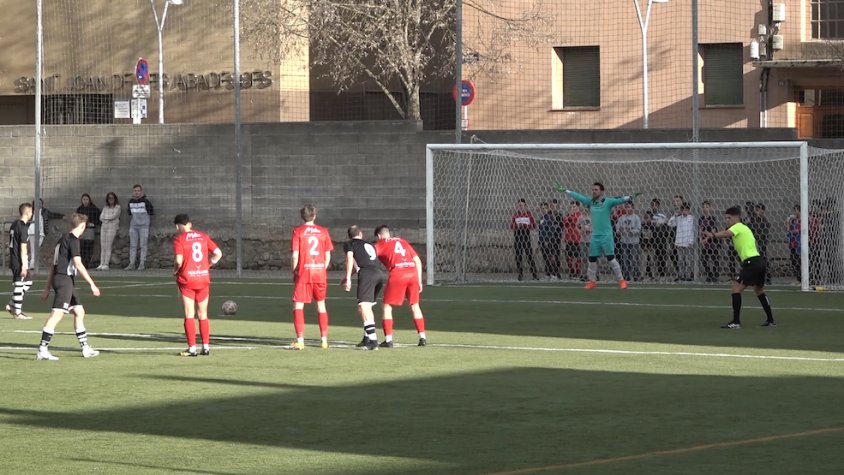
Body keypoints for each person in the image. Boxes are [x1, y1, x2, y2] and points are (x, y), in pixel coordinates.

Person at [36, 213, 102, 361]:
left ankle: (85, 348)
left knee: (79, 311)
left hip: (64, 280)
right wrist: (92, 284)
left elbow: (52, 266)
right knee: (57, 314)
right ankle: (42, 349)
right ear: (83, 226)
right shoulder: (73, 240)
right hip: (64, 280)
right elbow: (78, 264)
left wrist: (47, 288)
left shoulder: (61, 240)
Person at [703, 206, 775, 329]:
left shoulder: (738, 226)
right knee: (759, 291)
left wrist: (712, 235)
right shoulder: (745, 228)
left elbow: (727, 233)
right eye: (726, 218)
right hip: (759, 261)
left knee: (736, 289)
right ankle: (771, 320)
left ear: (737, 217)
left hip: (751, 263)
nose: (727, 220)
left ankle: (736, 322)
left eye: (728, 218)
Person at [558, 182, 637, 289]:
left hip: (607, 236)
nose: (594, 191)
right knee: (592, 259)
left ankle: (621, 280)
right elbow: (579, 196)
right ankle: (592, 281)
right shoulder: (590, 202)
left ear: (601, 191)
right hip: (595, 236)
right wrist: (566, 190)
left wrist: (630, 197)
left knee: (611, 259)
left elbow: (620, 200)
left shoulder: (608, 202)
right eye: (593, 189)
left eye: (596, 189)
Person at [172, 214, 222, 357]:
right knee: (203, 314)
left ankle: (192, 348)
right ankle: (206, 347)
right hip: (203, 279)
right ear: (190, 224)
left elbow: (178, 260)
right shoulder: (203, 236)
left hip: (187, 280)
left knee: (189, 314)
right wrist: (208, 264)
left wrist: (175, 270)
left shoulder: (179, 239)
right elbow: (218, 253)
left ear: (177, 226)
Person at [374, 225, 427, 347]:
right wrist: (419, 280)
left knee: (386, 306)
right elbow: (417, 260)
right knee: (415, 305)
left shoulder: (380, 244)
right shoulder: (402, 241)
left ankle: (388, 340)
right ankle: (422, 337)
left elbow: (370, 256)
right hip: (413, 273)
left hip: (398, 273)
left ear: (379, 236)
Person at [290, 204, 333, 350]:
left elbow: (295, 255)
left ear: (302, 216)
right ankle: (324, 340)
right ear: (314, 216)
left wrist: (294, 270)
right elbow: (328, 255)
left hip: (304, 273)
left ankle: (300, 340)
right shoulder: (323, 231)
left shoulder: (298, 231)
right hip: (320, 273)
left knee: (298, 305)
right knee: (321, 305)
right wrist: (322, 268)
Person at [343, 225, 387, 351]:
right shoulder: (369, 244)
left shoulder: (349, 244)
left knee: (364, 306)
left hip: (367, 274)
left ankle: (373, 341)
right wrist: (348, 276)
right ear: (361, 234)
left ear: (349, 236)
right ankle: (367, 338)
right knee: (364, 307)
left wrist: (348, 278)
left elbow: (350, 259)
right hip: (379, 274)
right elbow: (362, 262)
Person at [7, 203, 34, 319]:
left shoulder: (14, 224)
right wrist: (25, 265)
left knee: (28, 282)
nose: (32, 214)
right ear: (27, 212)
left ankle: (11, 304)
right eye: (31, 212)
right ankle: (18, 313)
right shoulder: (23, 226)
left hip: (14, 257)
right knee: (19, 284)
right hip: (18, 260)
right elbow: (23, 247)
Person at [125, 184, 154, 270]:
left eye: (138, 191)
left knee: (143, 245)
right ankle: (132, 263)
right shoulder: (130, 202)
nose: (136, 192)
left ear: (141, 192)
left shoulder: (146, 202)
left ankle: (142, 263)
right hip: (133, 226)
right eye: (135, 191)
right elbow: (129, 213)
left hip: (144, 226)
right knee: (133, 245)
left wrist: (144, 220)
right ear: (133, 192)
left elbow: (151, 212)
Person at [511, 198, 539, 281]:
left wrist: (526, 225)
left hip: (526, 236)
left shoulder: (529, 214)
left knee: (529, 256)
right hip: (517, 237)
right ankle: (520, 274)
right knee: (518, 256)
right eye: (519, 205)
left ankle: (534, 274)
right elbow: (511, 226)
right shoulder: (515, 215)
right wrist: (517, 226)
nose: (520, 207)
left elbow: (534, 226)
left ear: (525, 206)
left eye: (522, 205)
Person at [668, 202, 695, 282]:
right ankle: (681, 275)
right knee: (680, 261)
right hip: (680, 243)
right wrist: (675, 215)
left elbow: (693, 231)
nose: (684, 212)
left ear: (689, 210)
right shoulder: (678, 218)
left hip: (688, 243)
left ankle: (688, 275)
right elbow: (670, 224)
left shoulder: (692, 218)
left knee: (688, 260)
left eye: (686, 210)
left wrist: (691, 242)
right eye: (683, 210)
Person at [615, 202, 642, 282]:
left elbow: (639, 229)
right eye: (626, 207)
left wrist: (631, 231)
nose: (627, 209)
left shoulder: (636, 218)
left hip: (634, 242)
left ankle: (637, 276)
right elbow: (617, 228)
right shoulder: (621, 218)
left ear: (633, 208)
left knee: (634, 259)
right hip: (624, 242)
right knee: (625, 259)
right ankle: (626, 276)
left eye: (629, 207)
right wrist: (619, 232)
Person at [537, 202, 562, 280]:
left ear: (547, 209)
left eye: (545, 208)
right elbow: (540, 231)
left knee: (551, 257)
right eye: (542, 208)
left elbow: (551, 230)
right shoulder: (541, 218)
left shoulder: (550, 217)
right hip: (542, 241)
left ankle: (554, 274)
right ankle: (548, 274)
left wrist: (548, 240)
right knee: (546, 258)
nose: (543, 210)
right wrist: (539, 243)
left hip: (549, 241)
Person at [698, 201, 721, 283]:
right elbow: (700, 230)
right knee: (704, 259)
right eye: (704, 207)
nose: (705, 209)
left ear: (710, 208)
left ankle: (715, 275)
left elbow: (713, 231)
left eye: (707, 207)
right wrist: (701, 239)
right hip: (704, 243)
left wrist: (705, 238)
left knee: (715, 259)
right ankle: (709, 274)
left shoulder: (713, 218)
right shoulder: (701, 219)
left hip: (713, 242)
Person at [76, 193, 101, 268]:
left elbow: (98, 219)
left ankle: (87, 262)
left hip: (90, 230)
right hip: (81, 230)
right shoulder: (80, 209)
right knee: (82, 246)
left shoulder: (94, 209)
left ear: (89, 200)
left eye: (87, 199)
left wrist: (93, 223)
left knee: (88, 246)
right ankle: (82, 262)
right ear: (81, 200)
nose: (85, 201)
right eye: (84, 199)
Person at [97, 192, 121, 271]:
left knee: (108, 245)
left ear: (115, 199)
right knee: (103, 246)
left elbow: (113, 216)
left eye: (112, 198)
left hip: (112, 227)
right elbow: (101, 217)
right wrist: (106, 219)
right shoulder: (105, 207)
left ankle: (106, 264)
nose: (111, 200)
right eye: (109, 198)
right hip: (104, 227)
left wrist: (106, 218)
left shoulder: (117, 207)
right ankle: (101, 263)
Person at [562, 201, 583, 279]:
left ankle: (577, 272)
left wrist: (570, 216)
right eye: (571, 207)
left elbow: (575, 222)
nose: (572, 208)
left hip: (577, 239)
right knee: (568, 257)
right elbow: (564, 223)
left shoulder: (580, 216)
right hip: (568, 239)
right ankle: (571, 272)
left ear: (578, 207)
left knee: (578, 257)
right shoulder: (568, 215)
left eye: (574, 207)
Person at [786, 205, 801, 283]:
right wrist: (788, 221)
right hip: (792, 243)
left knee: (799, 261)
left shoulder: (802, 220)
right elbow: (788, 230)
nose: (794, 212)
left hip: (799, 243)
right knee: (793, 260)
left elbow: (797, 231)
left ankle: (801, 279)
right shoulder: (793, 220)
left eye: (795, 210)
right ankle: (797, 279)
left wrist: (791, 231)